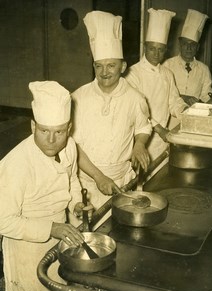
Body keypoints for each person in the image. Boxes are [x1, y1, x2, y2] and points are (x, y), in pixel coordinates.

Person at [0, 81, 85, 291]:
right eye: (44, 130)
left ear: (69, 128)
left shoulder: (71, 147)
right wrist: (51, 228)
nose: (51, 140)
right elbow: (3, 221)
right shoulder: (17, 163)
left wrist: (76, 203)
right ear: (32, 127)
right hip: (25, 246)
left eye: (58, 132)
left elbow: (72, 179)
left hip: (59, 238)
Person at [71, 11, 152, 229]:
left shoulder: (135, 98)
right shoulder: (78, 98)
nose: (104, 72)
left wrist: (140, 143)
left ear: (123, 67)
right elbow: (72, 147)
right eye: (99, 65)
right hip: (85, 183)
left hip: (120, 183)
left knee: (118, 238)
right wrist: (98, 177)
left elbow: (144, 126)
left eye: (111, 65)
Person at [125, 8, 188, 170]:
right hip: (140, 141)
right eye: (152, 48)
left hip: (162, 140)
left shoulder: (167, 73)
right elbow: (139, 111)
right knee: (140, 184)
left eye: (160, 49)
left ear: (165, 49)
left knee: (160, 181)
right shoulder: (133, 73)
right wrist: (160, 129)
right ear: (145, 46)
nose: (156, 53)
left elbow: (174, 101)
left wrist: (187, 113)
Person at [163, 9, 212, 107]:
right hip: (171, 118)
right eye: (185, 43)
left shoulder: (203, 69)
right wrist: (183, 97)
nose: (189, 48)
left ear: (198, 47)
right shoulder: (168, 65)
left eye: (193, 45)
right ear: (180, 44)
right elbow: (161, 92)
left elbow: (206, 94)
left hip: (193, 116)